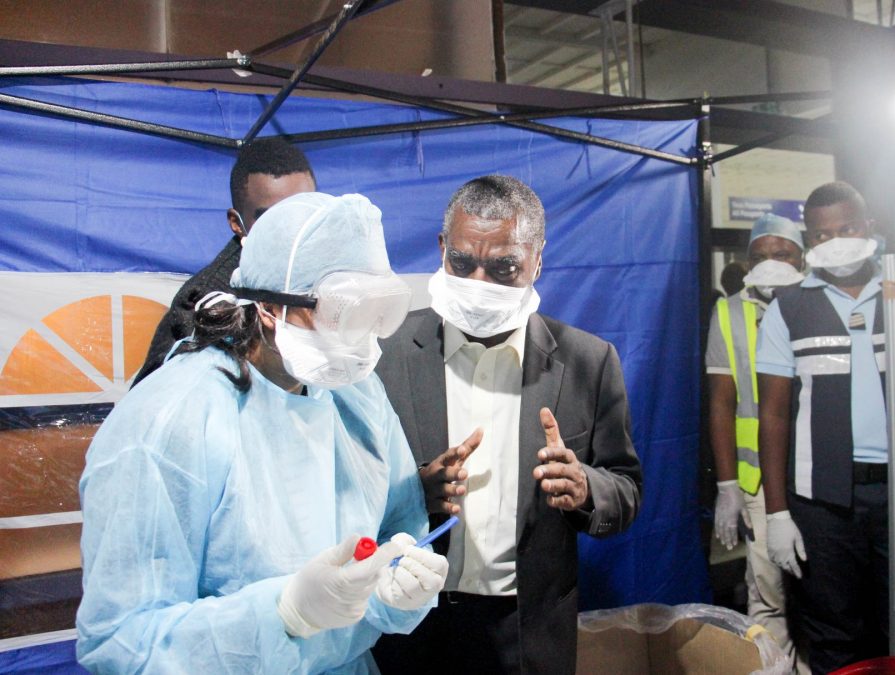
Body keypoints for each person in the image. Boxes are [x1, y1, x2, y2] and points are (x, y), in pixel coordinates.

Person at [77, 192, 448, 674]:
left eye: (375, 312)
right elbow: (121, 642)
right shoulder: (169, 422)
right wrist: (283, 614)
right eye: (343, 312)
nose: (361, 337)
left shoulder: (356, 395)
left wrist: (393, 587)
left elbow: (397, 527)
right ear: (269, 304)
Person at [371, 175, 643, 674]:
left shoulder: (589, 362)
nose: (477, 283)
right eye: (460, 262)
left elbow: (625, 489)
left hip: (527, 629)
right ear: (441, 248)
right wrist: (412, 496)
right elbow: (341, 494)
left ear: (537, 259)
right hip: (406, 623)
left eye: (503, 268)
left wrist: (585, 488)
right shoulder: (384, 355)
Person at [756, 182, 895, 674]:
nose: (837, 240)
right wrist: (777, 513)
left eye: (847, 228)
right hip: (823, 501)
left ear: (869, 226)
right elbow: (774, 412)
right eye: (823, 233)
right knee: (834, 632)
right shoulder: (789, 306)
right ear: (809, 239)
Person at [131, 137, 316, 386]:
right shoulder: (208, 300)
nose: (293, 229)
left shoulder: (319, 271)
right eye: (271, 219)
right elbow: (202, 399)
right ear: (237, 223)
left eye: (306, 213)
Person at [707, 213, 806, 673]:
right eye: (760, 256)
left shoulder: (820, 303)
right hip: (760, 482)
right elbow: (722, 403)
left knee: (819, 590)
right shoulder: (728, 312)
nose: (771, 264)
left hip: (815, 472)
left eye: (782, 254)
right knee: (768, 591)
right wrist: (728, 486)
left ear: (801, 257)